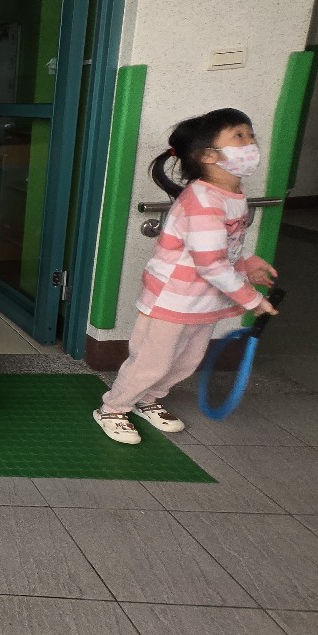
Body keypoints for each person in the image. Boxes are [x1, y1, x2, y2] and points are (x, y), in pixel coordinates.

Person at [94, 109, 278, 444]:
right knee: (152, 361)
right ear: (208, 155)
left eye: (250, 134)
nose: (250, 143)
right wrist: (251, 299)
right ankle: (113, 408)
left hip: (204, 299)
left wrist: (247, 263)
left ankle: (148, 399)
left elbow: (225, 248)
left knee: (185, 360)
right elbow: (210, 263)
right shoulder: (202, 200)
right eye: (238, 136)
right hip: (172, 298)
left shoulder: (233, 195)